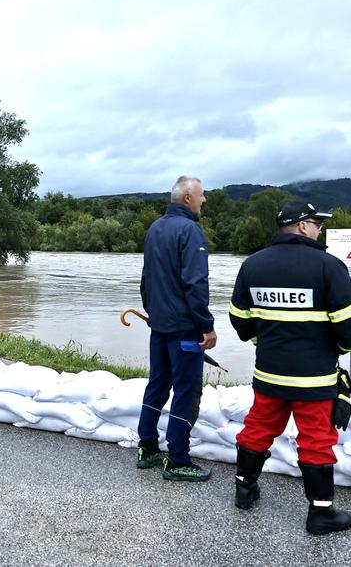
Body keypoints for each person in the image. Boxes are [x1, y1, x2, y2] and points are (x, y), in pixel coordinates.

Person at [229, 201, 351, 535]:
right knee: (317, 440)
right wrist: (339, 350)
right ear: (303, 226)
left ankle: (245, 490)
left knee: (258, 428)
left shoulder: (253, 265)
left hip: (269, 374)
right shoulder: (328, 266)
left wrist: (265, 342)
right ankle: (321, 513)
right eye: (317, 223)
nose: (320, 230)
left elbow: (241, 321)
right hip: (314, 378)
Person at [136, 175, 217, 481]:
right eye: (201, 195)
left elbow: (146, 280)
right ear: (187, 199)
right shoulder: (190, 231)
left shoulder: (155, 228)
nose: (204, 200)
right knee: (186, 391)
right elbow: (195, 284)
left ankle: (146, 447)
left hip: (160, 327)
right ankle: (178, 458)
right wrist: (206, 326)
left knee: (157, 385)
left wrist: (153, 312)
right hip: (185, 329)